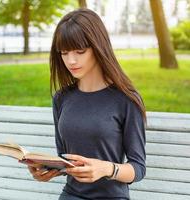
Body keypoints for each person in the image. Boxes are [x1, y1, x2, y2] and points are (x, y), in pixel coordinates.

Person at [28, 8, 146, 200]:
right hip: (71, 195)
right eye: (64, 53)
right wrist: (48, 169)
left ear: (98, 47)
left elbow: (139, 168)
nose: (71, 60)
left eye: (80, 51)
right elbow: (66, 159)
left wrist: (107, 168)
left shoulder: (126, 99)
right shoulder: (62, 98)